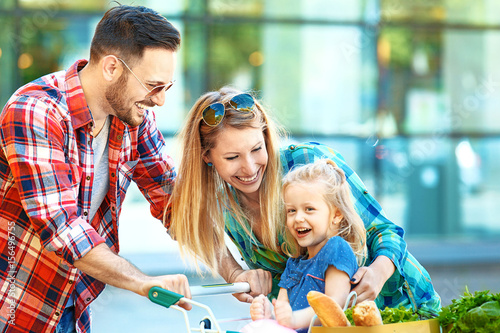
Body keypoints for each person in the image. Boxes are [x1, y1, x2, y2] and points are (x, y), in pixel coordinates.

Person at [167, 86, 441, 318]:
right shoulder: (217, 200)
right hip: (316, 323)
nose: (249, 168)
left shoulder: (309, 163)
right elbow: (202, 236)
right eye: (232, 158)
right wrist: (236, 274)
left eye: (256, 149)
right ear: (207, 157)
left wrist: (378, 273)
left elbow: (385, 230)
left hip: (400, 306)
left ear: (266, 137)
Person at [0, 5, 190, 333]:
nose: (160, 101)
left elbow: (176, 201)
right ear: (112, 67)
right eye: (153, 86)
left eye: (166, 88)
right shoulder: (35, 112)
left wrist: (235, 271)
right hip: (12, 307)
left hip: (70, 307)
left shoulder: (132, 119)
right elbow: (62, 230)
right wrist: (144, 282)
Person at [250, 158, 367, 332]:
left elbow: (335, 306)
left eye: (309, 209)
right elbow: (283, 310)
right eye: (292, 210)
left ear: (336, 214)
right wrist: (269, 314)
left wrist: (294, 319)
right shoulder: (293, 264)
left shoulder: (336, 248)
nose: (298, 218)